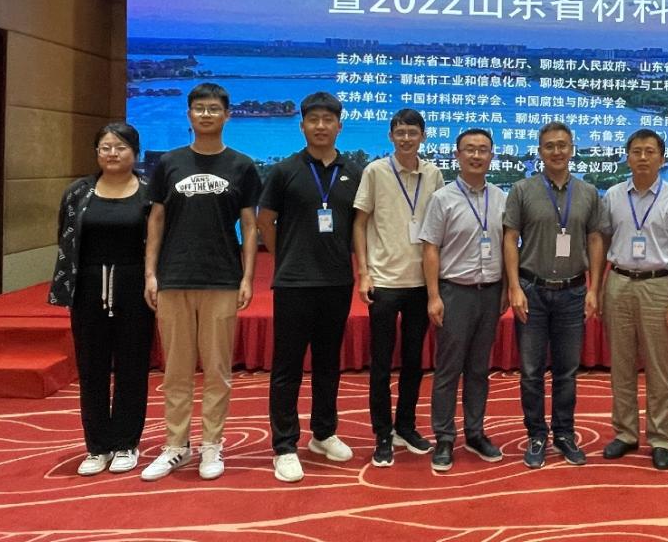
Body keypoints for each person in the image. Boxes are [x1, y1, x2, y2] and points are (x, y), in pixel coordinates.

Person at [141, 82, 261, 482]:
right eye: (199, 108)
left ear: (227, 115)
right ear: (189, 115)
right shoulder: (169, 163)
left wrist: (247, 277)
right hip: (174, 277)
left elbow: (250, 225)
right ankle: (176, 445)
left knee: (217, 370)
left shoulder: (242, 165)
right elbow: (156, 220)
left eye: (213, 109)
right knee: (175, 371)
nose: (206, 114)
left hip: (222, 278)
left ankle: (212, 443)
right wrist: (150, 273)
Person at [257, 92, 362, 483]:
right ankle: (285, 446)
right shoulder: (285, 170)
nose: (321, 126)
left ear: (339, 126)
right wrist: (285, 255)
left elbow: (360, 225)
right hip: (294, 282)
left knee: (328, 364)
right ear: (302, 126)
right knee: (287, 367)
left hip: (337, 281)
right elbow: (265, 220)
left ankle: (323, 433)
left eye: (327, 119)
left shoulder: (354, 172)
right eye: (313, 119)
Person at [49, 123, 155, 476]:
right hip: (88, 286)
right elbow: (65, 237)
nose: (112, 153)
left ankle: (126, 442)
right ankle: (97, 446)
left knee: (132, 366)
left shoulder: (149, 192)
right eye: (105, 147)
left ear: (135, 152)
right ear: (97, 152)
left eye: (120, 147)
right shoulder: (78, 192)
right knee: (91, 367)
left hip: (134, 286)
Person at [504, 121, 605, 469]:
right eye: (549, 146)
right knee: (531, 371)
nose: (557, 151)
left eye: (562, 145)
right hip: (532, 289)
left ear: (572, 149)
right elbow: (510, 238)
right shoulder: (522, 190)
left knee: (566, 370)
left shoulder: (588, 192)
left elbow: (595, 239)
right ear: (540, 151)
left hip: (573, 292)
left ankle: (564, 433)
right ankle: (536, 434)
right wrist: (514, 287)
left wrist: (594, 288)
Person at [599, 129, 668, 471]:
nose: (642, 157)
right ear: (627, 157)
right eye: (636, 151)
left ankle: (660, 438)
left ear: (661, 158)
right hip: (619, 281)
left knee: (658, 366)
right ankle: (625, 433)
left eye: (649, 151)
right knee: (621, 364)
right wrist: (598, 287)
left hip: (659, 285)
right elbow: (602, 241)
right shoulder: (613, 195)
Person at [353, 108, 444, 467]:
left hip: (421, 282)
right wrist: (364, 272)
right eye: (400, 132)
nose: (406, 138)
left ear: (423, 136)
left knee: (413, 361)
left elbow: (440, 226)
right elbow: (359, 223)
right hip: (385, 281)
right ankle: (382, 433)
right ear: (391, 136)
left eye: (413, 132)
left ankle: (406, 425)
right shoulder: (375, 171)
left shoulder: (433, 174)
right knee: (380, 363)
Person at [420, 128, 508, 473]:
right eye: (469, 149)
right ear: (457, 155)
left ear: (491, 156)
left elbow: (506, 246)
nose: (476, 156)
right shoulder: (442, 198)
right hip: (455, 292)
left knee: (478, 368)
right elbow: (430, 248)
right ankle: (444, 437)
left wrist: (506, 289)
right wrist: (433, 296)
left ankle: (475, 432)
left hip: (490, 293)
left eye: (483, 150)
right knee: (448, 369)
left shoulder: (501, 198)